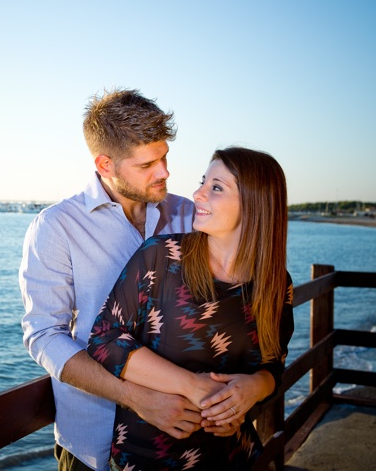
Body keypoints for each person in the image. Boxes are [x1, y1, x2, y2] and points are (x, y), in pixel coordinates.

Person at [19, 88, 204, 471]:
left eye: (165, 157)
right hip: (93, 441)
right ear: (105, 164)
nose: (165, 172)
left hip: (186, 436)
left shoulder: (190, 215)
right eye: (147, 164)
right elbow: (44, 335)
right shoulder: (56, 227)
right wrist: (135, 397)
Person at [88, 146, 295, 470]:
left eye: (216, 187)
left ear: (255, 203)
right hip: (147, 459)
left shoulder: (275, 283)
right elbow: (103, 338)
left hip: (233, 457)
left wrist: (252, 390)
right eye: (203, 182)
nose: (197, 194)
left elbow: (274, 365)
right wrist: (193, 386)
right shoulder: (161, 255)